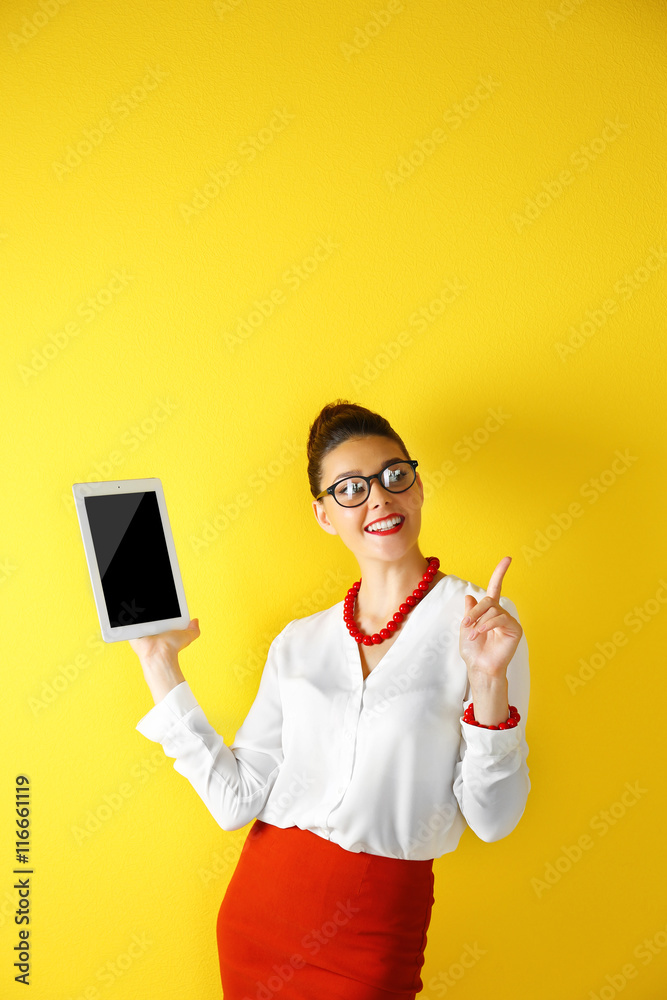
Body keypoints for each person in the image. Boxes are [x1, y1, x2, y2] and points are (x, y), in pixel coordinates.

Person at [130, 399, 531, 999]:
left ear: (418, 487)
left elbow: (493, 821)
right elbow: (236, 801)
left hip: (374, 932)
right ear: (323, 515)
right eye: (350, 488)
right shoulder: (299, 642)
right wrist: (161, 666)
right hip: (259, 917)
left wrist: (490, 682)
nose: (378, 498)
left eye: (394, 475)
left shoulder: (483, 625)